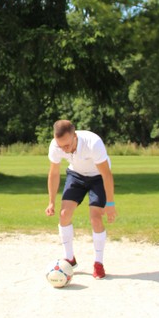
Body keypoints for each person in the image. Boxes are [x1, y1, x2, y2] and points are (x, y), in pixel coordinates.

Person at [45, 119, 116, 279]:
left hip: (98, 177)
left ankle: (98, 263)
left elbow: (106, 174)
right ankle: (69, 259)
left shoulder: (93, 143)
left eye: (67, 145)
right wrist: (51, 202)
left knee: (95, 218)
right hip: (76, 175)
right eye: (61, 146)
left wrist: (110, 203)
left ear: (75, 136)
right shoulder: (55, 146)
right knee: (64, 215)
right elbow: (54, 173)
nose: (64, 149)